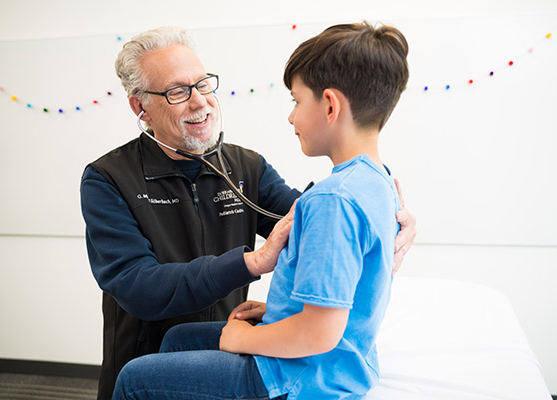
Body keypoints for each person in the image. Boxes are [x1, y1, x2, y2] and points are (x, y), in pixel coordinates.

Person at [81, 25, 415, 400]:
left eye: (204, 84)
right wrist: (252, 263)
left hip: (259, 349)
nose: (199, 102)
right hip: (148, 341)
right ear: (140, 106)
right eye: (178, 91)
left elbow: (317, 221)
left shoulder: (246, 167)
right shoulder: (107, 179)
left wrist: (394, 223)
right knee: (149, 366)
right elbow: (138, 286)